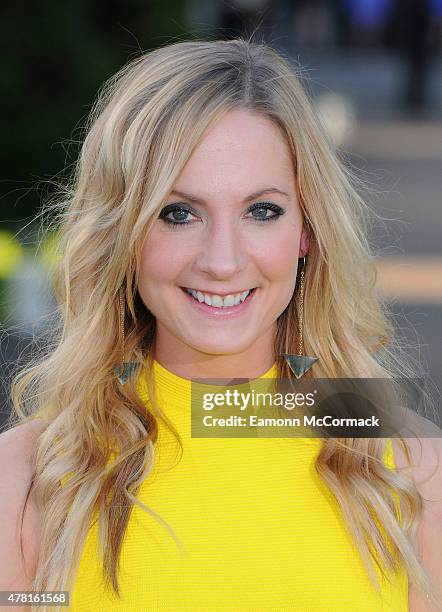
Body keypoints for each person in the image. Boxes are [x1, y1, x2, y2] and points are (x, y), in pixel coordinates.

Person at [1, 38, 441, 612]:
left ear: (307, 230)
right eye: (177, 213)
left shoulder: (409, 467)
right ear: (122, 235)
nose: (223, 260)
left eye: (262, 211)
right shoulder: (28, 481)